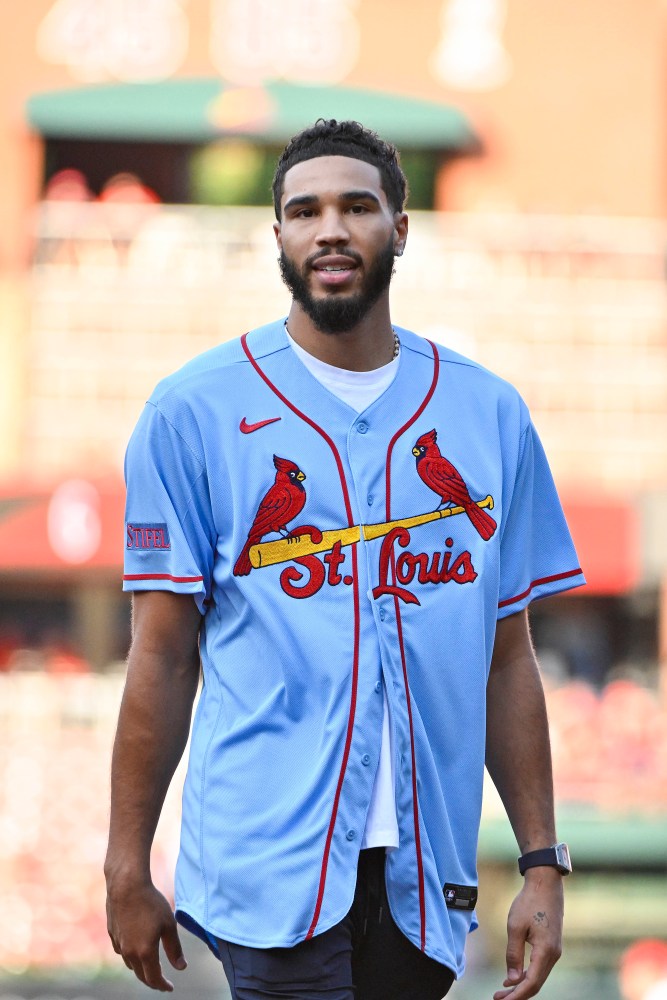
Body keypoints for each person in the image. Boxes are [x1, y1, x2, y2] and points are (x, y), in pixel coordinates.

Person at [105, 119, 585, 1000]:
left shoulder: (488, 414)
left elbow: (505, 657)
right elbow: (163, 654)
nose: (330, 228)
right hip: (266, 854)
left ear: (399, 229)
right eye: (304, 210)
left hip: (426, 866)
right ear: (278, 235)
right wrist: (125, 863)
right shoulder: (192, 411)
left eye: (357, 206)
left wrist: (542, 863)